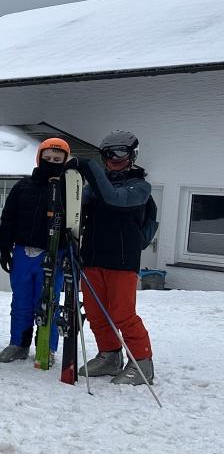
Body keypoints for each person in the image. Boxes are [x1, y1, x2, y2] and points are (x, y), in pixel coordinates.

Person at [76, 130, 158, 385]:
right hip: (92, 259)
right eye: (108, 153)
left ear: (132, 155)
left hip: (122, 261)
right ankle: (110, 356)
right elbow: (76, 207)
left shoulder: (140, 187)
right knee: (96, 312)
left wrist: (87, 166)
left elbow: (115, 200)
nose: (114, 158)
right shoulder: (95, 187)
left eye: (121, 152)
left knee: (122, 314)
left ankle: (142, 363)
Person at [0, 138, 71, 363]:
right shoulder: (23, 186)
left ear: (65, 161)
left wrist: (70, 254)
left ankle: (47, 346)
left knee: (48, 301)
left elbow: (75, 224)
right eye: (47, 159)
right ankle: (18, 343)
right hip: (22, 252)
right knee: (21, 301)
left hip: (53, 253)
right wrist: (4, 248)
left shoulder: (68, 189)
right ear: (39, 158)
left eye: (57, 160)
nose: (51, 162)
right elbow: (8, 218)